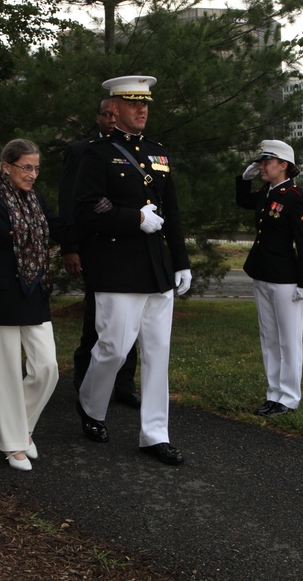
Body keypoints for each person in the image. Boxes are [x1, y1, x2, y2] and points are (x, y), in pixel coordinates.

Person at [72, 75, 192, 465]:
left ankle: (155, 434)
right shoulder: (96, 153)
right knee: (112, 348)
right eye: (133, 103)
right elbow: (87, 208)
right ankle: (91, 405)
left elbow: (171, 213)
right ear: (116, 108)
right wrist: (133, 218)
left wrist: (182, 261)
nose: (142, 110)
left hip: (156, 268)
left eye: (146, 103)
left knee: (158, 352)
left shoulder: (158, 153)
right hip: (117, 265)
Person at [0, 139, 67, 471]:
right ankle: (12, 444)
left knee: (47, 367)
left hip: (33, 292)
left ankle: (20, 427)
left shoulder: (36, 200)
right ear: (7, 167)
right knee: (6, 373)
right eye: (27, 167)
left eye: (37, 168)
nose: (33, 174)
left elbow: (60, 227)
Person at [60, 99, 140, 407]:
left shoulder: (137, 150)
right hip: (96, 245)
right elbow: (69, 203)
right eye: (105, 114)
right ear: (98, 118)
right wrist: (70, 246)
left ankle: (124, 384)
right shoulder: (82, 151)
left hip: (131, 243)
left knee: (130, 319)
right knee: (98, 318)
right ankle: (85, 381)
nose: (110, 119)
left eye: (114, 114)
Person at [235, 139, 303, 416]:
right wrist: (242, 180)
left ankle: (289, 396)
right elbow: (242, 201)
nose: (261, 166)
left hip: (285, 278)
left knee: (289, 339)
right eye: (260, 162)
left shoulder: (295, 196)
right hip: (262, 273)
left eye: (266, 162)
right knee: (269, 337)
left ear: (284, 166)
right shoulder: (265, 193)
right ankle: (273, 393)